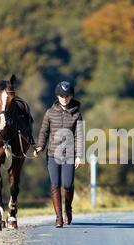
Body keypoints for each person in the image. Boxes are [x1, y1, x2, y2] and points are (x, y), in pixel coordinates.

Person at [36, 81, 83, 228]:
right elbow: (44, 132)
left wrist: (79, 156)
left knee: (68, 185)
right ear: (57, 96)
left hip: (69, 155)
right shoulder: (50, 113)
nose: (65, 98)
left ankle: (68, 208)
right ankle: (58, 217)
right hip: (52, 155)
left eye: (67, 96)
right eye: (62, 96)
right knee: (55, 184)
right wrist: (40, 147)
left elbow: (79, 136)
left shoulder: (77, 114)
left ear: (71, 96)